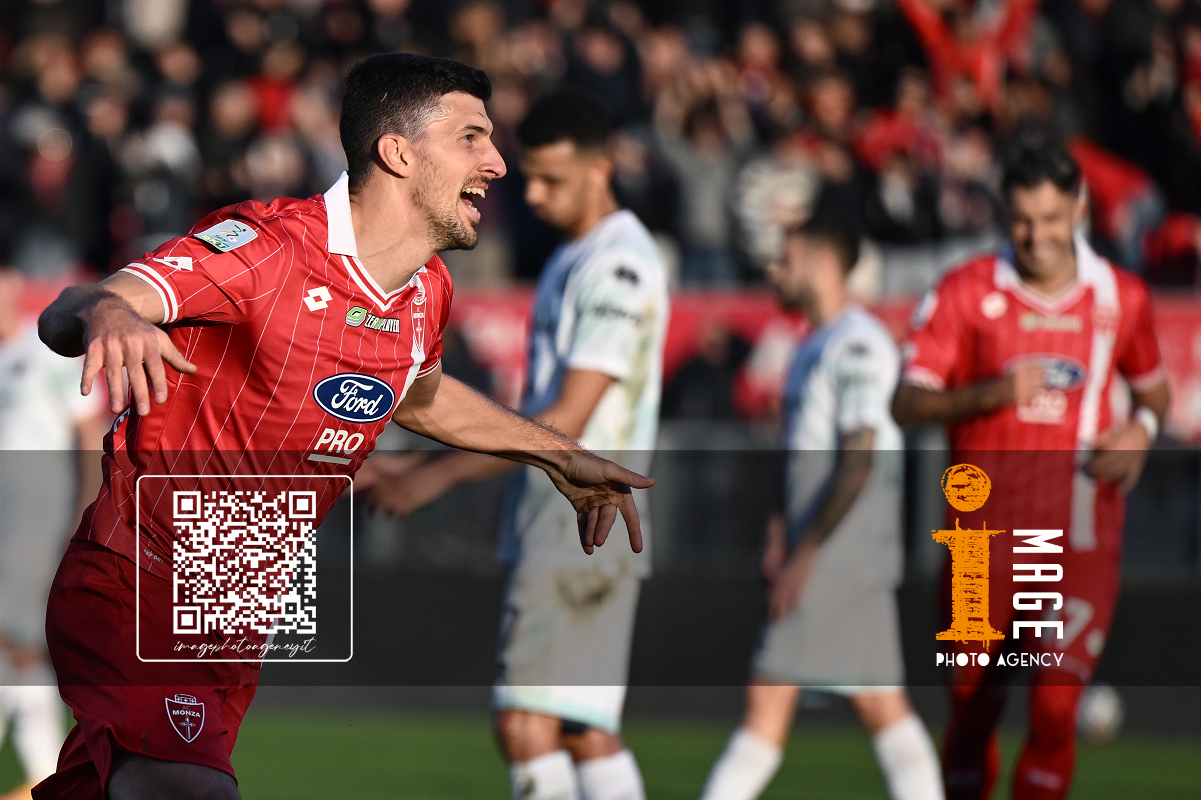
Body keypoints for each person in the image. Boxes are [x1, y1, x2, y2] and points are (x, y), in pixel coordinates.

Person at [31, 55, 652, 800]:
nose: (497, 163)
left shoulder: (426, 292)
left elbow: (423, 400)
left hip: (232, 617)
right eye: (472, 138)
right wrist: (110, 313)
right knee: (191, 791)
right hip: (137, 580)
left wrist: (557, 455)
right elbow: (72, 308)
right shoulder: (265, 248)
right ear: (398, 153)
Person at [359, 88, 669, 800]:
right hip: (569, 516)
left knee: (526, 725)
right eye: (529, 177)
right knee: (582, 730)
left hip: (578, 515)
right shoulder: (578, 256)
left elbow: (570, 413)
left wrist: (435, 475)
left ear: (601, 169)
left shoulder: (617, 265)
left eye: (552, 179)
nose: (532, 196)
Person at [892, 144, 1169, 800]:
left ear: (1078, 209)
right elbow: (906, 404)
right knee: (970, 710)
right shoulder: (964, 290)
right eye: (1021, 220)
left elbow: (1153, 391)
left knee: (1053, 703)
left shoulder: (1121, 297)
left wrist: (1142, 430)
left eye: (1049, 218)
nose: (1035, 235)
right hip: (977, 542)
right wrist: (987, 394)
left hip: (1074, 538)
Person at [697, 220, 944, 800]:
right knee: (882, 706)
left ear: (825, 266)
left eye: (787, 259)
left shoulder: (858, 345)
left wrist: (806, 555)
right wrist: (780, 530)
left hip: (840, 556)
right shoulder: (815, 343)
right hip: (839, 554)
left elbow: (859, 462)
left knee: (767, 700)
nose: (774, 270)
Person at [0, 256, 105, 800]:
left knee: (16, 641)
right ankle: (44, 775)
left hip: (38, 520)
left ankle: (44, 773)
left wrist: (86, 508)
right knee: (15, 649)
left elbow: (89, 428)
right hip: (7, 523)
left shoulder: (45, 354)